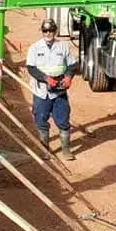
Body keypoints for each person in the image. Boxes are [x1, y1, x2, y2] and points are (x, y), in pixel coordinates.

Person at [25, 17, 78, 160]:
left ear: (55, 31)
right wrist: (45, 78)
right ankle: (45, 150)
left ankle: (66, 150)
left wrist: (68, 77)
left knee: (63, 120)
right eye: (45, 30)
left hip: (59, 91)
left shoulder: (63, 46)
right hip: (41, 91)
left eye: (51, 30)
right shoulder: (35, 48)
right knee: (41, 120)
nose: (48, 33)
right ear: (42, 32)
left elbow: (72, 65)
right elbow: (31, 68)